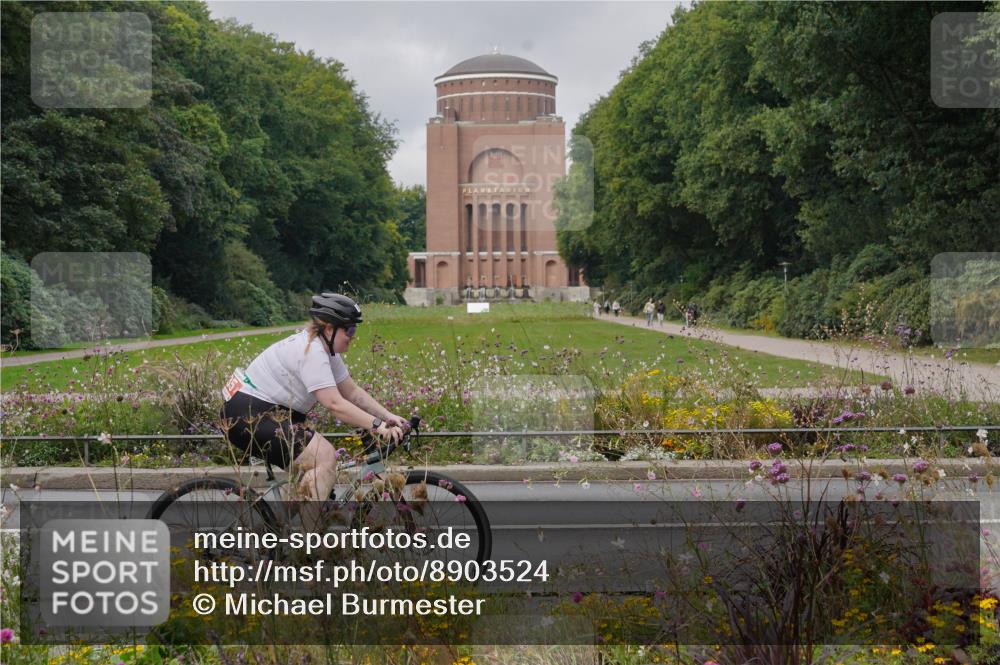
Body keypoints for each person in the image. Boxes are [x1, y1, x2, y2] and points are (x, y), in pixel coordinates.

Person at [220, 293, 405, 507]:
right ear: (329, 328)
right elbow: (334, 404)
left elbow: (352, 392)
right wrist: (377, 425)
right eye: (350, 329)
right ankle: (310, 539)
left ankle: (289, 530)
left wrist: (389, 417)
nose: (353, 336)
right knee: (324, 457)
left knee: (307, 487)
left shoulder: (326, 350)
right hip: (250, 415)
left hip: (270, 414)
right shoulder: (311, 351)